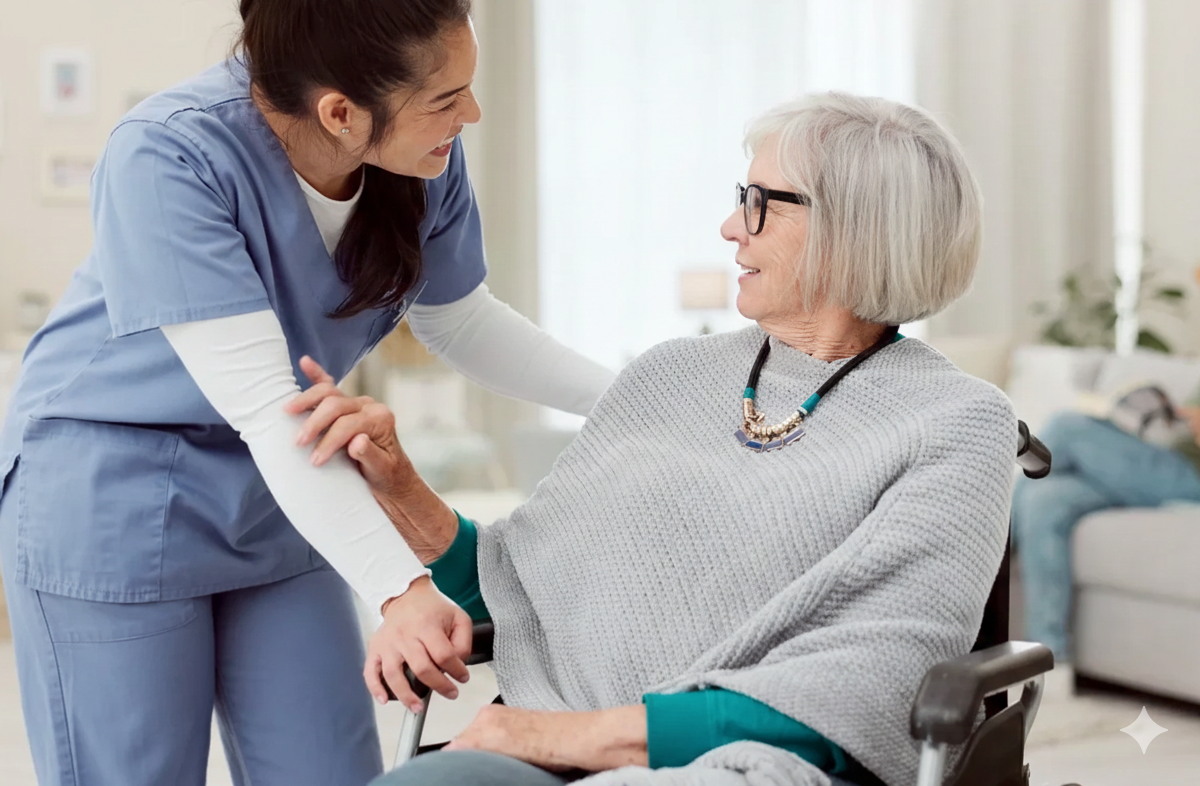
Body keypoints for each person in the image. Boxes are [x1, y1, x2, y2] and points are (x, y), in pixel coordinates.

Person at [0, 0, 612, 784]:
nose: (472, 115)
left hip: (288, 484)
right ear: (341, 112)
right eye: (447, 100)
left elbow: (461, 320)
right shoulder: (169, 155)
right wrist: (399, 589)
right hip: (113, 493)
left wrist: (629, 397)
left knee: (326, 768)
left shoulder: (421, 163)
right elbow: (264, 401)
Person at [293, 92, 1019, 786]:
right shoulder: (670, 374)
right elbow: (519, 594)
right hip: (543, 733)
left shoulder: (956, 422)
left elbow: (872, 682)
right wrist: (399, 485)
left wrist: (568, 738)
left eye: (759, 203)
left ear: (855, 227)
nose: (731, 227)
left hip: (760, 763)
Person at [1011, 398, 1200, 666]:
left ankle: (987, 557)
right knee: (1041, 498)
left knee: (1065, 424)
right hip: (1148, 457)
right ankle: (1049, 657)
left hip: (1186, 475)